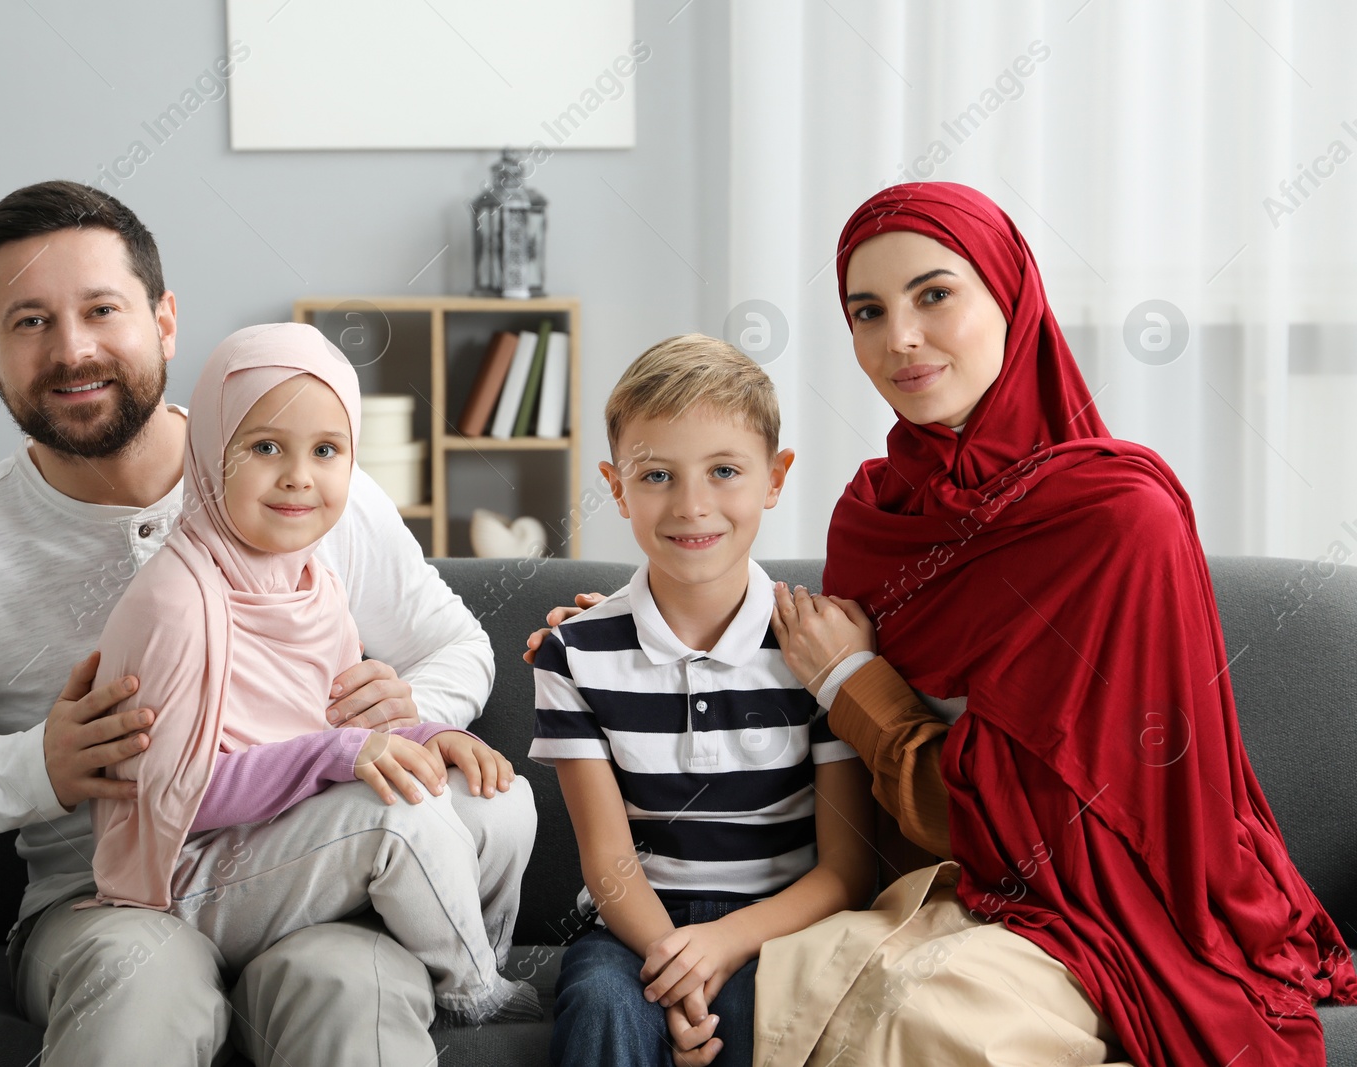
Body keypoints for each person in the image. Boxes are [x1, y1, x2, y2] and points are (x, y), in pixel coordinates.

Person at [0, 180, 507, 1066]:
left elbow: (460, 643)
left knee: (354, 990)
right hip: (103, 908)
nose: (72, 349)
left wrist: (412, 703)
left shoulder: (304, 471)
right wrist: (36, 766)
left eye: (101, 309)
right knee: (141, 984)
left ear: (165, 321)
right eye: (30, 321)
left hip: (316, 879)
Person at [752, 182, 1357, 1066]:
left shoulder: (1118, 520)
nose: (900, 339)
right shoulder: (872, 516)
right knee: (811, 1002)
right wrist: (637, 619)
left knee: (920, 1020)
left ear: (1011, 296)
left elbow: (1041, 823)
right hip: (929, 887)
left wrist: (853, 685)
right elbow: (808, 692)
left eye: (934, 295)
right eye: (867, 311)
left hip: (1099, 898)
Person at [84, 321, 539, 1025]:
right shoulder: (175, 601)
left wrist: (428, 731)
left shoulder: (311, 578)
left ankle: (470, 953)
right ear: (211, 452)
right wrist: (342, 755)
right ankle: (474, 993)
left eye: (327, 450)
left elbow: (332, 720)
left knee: (503, 798)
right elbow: (176, 798)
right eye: (265, 447)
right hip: (194, 876)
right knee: (402, 817)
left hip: (291, 836)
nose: (300, 475)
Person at [530, 335, 876, 1067]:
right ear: (616, 486)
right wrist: (674, 962)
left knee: (771, 1015)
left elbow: (847, 870)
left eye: (724, 470)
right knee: (599, 1004)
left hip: (781, 930)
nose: (692, 505)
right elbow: (607, 860)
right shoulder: (574, 652)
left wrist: (720, 947)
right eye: (657, 475)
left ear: (775, 477)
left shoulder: (816, 646)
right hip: (632, 929)